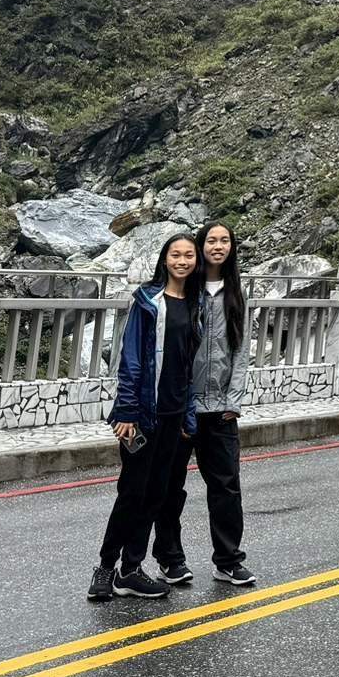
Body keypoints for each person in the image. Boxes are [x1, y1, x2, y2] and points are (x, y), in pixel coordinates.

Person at [88, 232, 201, 601]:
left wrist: (187, 417)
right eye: (175, 255)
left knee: (156, 495)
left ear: (196, 261)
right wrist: (127, 410)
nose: (182, 261)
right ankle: (106, 568)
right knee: (131, 493)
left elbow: (188, 365)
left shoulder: (195, 304)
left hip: (173, 414)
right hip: (143, 415)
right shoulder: (148, 301)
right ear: (164, 259)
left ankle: (131, 570)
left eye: (188, 255)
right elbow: (131, 358)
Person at [152, 221, 255, 586]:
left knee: (226, 486)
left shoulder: (237, 294)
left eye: (225, 240)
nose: (218, 246)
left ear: (232, 248)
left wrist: (234, 399)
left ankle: (228, 560)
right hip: (182, 408)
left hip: (221, 409)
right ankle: (170, 559)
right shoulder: (186, 290)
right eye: (212, 240)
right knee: (170, 486)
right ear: (201, 245)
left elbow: (241, 351)